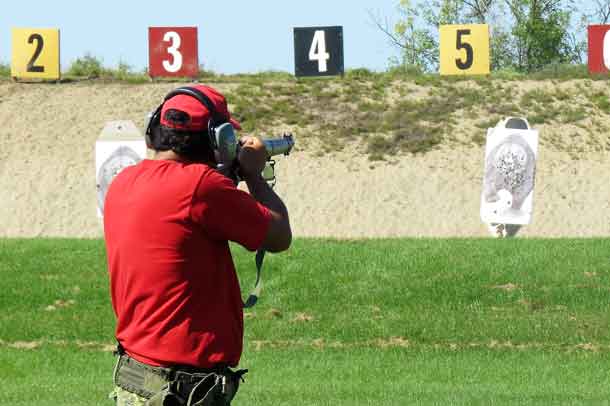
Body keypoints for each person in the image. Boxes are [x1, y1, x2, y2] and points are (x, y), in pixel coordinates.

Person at [104, 84, 291, 406]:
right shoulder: (202, 187)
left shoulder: (124, 181)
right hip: (182, 390)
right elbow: (278, 236)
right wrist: (254, 175)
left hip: (136, 378)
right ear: (219, 138)